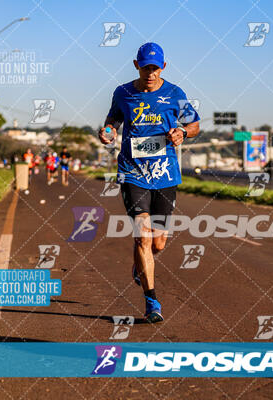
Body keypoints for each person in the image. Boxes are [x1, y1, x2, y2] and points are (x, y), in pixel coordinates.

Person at [98, 42, 200, 323]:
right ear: (136, 65)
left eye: (155, 68)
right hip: (133, 171)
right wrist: (106, 133)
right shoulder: (123, 93)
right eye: (146, 68)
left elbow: (194, 125)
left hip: (165, 174)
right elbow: (111, 122)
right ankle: (151, 301)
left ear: (163, 67)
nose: (150, 73)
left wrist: (183, 132)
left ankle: (140, 265)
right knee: (142, 235)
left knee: (158, 244)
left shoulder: (175, 93)